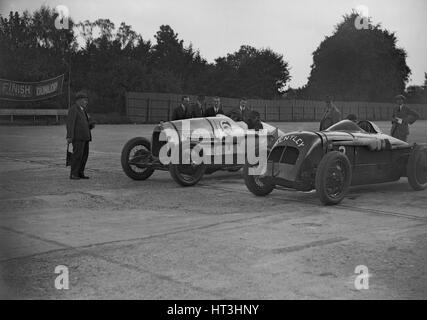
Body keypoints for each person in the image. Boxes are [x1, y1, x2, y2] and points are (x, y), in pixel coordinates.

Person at [66, 91, 95, 180]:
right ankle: (73, 174)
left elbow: (85, 122)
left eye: (86, 100)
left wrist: (91, 124)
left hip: (85, 137)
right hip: (78, 138)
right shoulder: (73, 109)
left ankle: (80, 172)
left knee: (84, 156)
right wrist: (70, 136)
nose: (86, 102)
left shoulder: (83, 110)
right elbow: (70, 123)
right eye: (84, 100)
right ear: (79, 100)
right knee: (77, 156)